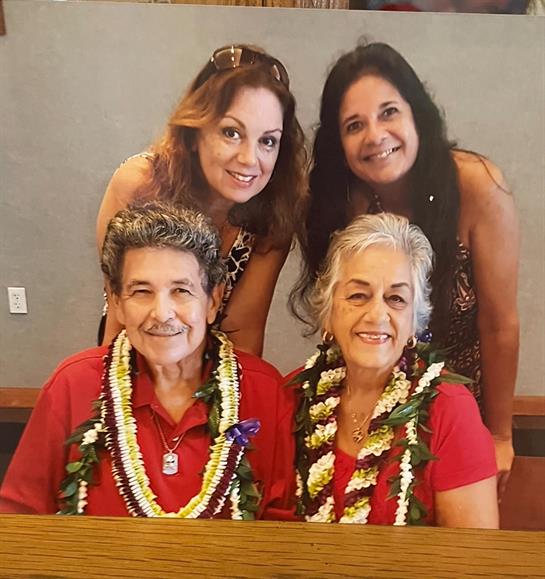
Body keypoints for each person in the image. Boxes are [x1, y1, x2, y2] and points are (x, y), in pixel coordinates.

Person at [290, 42, 518, 493]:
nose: (375, 135)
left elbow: (499, 324)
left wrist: (500, 434)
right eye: (355, 125)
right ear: (340, 143)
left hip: (460, 408)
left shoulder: (474, 186)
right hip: (368, 404)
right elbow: (338, 320)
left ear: (417, 115)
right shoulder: (339, 203)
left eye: (389, 112)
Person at [0, 203, 295, 519]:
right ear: (116, 302)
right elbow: (19, 517)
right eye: (142, 291)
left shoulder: (263, 390)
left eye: (181, 290)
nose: (162, 313)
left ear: (212, 300)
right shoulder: (73, 384)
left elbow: (283, 529)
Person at [289, 213, 498, 527]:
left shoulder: (450, 410)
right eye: (358, 295)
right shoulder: (293, 397)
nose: (377, 314)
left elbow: (475, 562)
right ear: (329, 313)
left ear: (414, 321)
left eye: (396, 298)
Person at [97, 44, 307, 356]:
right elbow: (121, 313)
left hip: (213, 368)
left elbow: (244, 336)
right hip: (137, 347)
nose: (250, 159)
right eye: (231, 133)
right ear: (195, 132)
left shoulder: (272, 214)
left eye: (267, 141)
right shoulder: (138, 185)